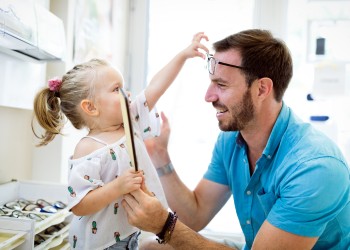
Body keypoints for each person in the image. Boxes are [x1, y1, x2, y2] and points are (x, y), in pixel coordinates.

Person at [122, 29, 350, 250]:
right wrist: (159, 154)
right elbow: (195, 214)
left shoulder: (314, 167)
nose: (208, 96)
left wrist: (164, 225)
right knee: (151, 248)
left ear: (262, 89)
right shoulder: (232, 140)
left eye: (221, 85)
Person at [31, 32, 209, 250]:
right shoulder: (88, 148)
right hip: (100, 244)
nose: (127, 93)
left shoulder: (130, 122)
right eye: (117, 89)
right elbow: (79, 204)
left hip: (129, 234)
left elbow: (154, 88)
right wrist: (118, 187)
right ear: (91, 107)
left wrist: (182, 56)